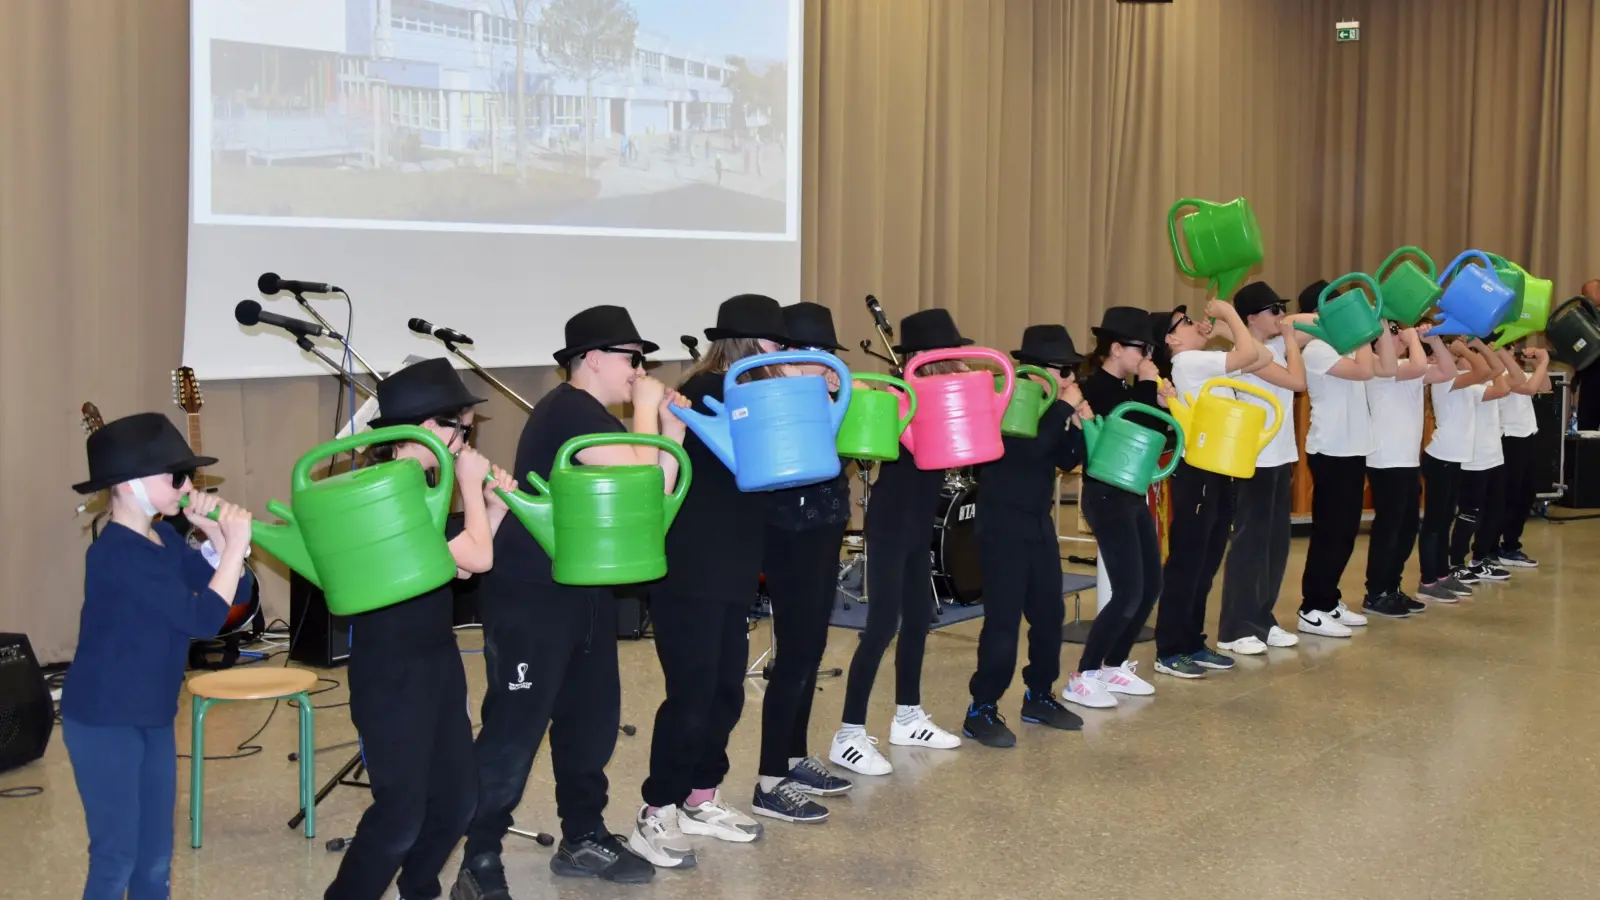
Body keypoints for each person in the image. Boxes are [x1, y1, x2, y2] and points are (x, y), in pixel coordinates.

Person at [456, 307, 685, 898]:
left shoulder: (598, 421)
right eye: (632, 359)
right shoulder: (568, 412)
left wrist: (672, 430)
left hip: (582, 589)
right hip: (530, 595)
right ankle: (477, 857)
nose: (639, 370)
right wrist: (646, 413)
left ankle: (582, 835)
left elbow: (649, 500)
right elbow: (638, 474)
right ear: (592, 359)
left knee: (591, 721)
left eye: (644, 362)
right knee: (515, 729)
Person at [325, 358, 515, 900]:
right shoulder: (381, 488)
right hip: (390, 672)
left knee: (457, 799)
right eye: (458, 424)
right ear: (422, 428)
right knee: (401, 812)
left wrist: (492, 509)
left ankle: (419, 887)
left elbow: (451, 567)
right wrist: (472, 488)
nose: (465, 435)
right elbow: (475, 559)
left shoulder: (423, 485)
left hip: (435, 659)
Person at [63, 413, 254, 900]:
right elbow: (200, 622)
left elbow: (234, 601)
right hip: (105, 721)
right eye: (176, 476)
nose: (188, 485)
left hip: (152, 713)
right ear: (129, 484)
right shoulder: (114, 554)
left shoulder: (163, 537)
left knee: (154, 857)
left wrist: (218, 540)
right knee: (116, 857)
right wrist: (234, 548)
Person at [630, 294, 791, 868]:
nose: (784, 353)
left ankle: (700, 796)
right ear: (751, 344)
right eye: (777, 343)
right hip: (690, 566)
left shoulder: (758, 393)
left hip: (733, 565)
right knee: (692, 696)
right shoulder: (703, 393)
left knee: (725, 692)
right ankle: (655, 811)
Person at [829, 309, 971, 776]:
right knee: (882, 626)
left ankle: (907, 716)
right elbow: (870, 396)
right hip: (890, 524)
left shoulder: (943, 394)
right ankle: (848, 733)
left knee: (918, 622)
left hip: (916, 526)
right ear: (929, 358)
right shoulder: (899, 395)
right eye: (952, 355)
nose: (961, 364)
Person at [751, 302, 858, 822]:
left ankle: (793, 758)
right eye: (816, 354)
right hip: (787, 530)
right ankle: (769, 779)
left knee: (813, 647)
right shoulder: (768, 393)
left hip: (825, 523)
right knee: (793, 653)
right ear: (789, 355)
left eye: (827, 355)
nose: (825, 364)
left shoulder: (824, 393)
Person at [962, 324, 1092, 748]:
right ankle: (981, 707)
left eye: (1073, 371)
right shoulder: (1007, 398)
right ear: (1038, 370)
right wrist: (1060, 411)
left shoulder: (1052, 405)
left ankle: (1039, 695)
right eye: (1064, 370)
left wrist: (1079, 425)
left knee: (1049, 615)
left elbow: (1067, 461)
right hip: (1001, 523)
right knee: (1003, 622)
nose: (1070, 379)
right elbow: (1027, 449)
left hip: (1037, 521)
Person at [1147, 299, 1267, 677]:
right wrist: (1230, 313)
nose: (1194, 324)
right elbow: (1251, 352)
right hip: (1195, 472)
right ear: (1171, 340)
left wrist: (1220, 331)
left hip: (1217, 469)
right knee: (1187, 562)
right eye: (1183, 322)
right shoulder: (1187, 363)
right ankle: (1169, 650)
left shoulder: (1201, 361)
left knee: (1207, 560)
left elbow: (1259, 356)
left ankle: (1192, 642)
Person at [1068, 306, 1173, 708]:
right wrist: (1148, 391)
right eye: (1141, 349)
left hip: (1131, 494)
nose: (1147, 358)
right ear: (1115, 348)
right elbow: (1130, 432)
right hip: (1106, 495)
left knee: (1151, 585)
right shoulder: (1094, 389)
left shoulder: (1131, 391)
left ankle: (1114, 665)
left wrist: (1161, 404)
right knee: (1129, 589)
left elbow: (1157, 438)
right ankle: (1085, 674)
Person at [1292, 279, 1391, 638]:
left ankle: (1329, 599)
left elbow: (1384, 368)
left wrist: (1375, 332)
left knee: (1347, 531)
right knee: (1329, 532)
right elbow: (1365, 370)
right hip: (1330, 449)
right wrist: (1365, 335)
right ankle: (1311, 607)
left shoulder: (1344, 346)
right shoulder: (1317, 349)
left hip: (1353, 447)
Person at [1217, 284, 1307, 655]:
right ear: (1251, 317)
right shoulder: (1249, 354)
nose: (1280, 316)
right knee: (1249, 547)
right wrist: (1287, 336)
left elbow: (1315, 321)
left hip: (1280, 457)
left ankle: (1261, 618)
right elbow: (1299, 383)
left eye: (1282, 308)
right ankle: (1235, 627)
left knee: (1275, 546)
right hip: (1254, 460)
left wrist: (1286, 328)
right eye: (1272, 310)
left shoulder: (1271, 346)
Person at [1360, 323, 1454, 619]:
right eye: (1393, 331)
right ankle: (1376, 593)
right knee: (1389, 528)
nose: (1401, 334)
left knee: (1407, 528)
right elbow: (1418, 366)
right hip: (1385, 459)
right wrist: (1414, 338)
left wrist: (1435, 340)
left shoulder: (1409, 366)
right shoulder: (1377, 366)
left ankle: (1392, 586)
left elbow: (1448, 372)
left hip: (1407, 460)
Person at [1417, 339, 1493, 603]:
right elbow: (1483, 371)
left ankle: (1441, 575)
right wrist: (1462, 351)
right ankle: (1427, 580)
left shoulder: (1464, 384)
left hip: (1454, 458)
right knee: (1434, 523)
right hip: (1441, 457)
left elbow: (1491, 371)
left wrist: (1473, 349)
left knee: (1445, 519)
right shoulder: (1444, 381)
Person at [1450, 341, 1516, 584]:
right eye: (1469, 357)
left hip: (1493, 455)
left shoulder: (1485, 381)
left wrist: (1480, 346)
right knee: (1469, 514)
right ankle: (1456, 561)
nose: (1478, 360)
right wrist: (1467, 351)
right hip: (1472, 458)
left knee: (1494, 510)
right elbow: (1501, 387)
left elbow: (1499, 375)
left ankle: (1479, 560)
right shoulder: (1462, 384)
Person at [1494, 344, 1552, 568]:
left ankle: (1511, 544)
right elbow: (1527, 389)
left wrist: (1539, 364)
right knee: (1508, 495)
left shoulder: (1520, 373)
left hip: (1527, 436)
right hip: (1509, 438)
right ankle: (1496, 546)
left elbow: (1543, 387)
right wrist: (1544, 362)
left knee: (1525, 494)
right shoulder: (1498, 375)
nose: (1513, 352)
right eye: (1508, 348)